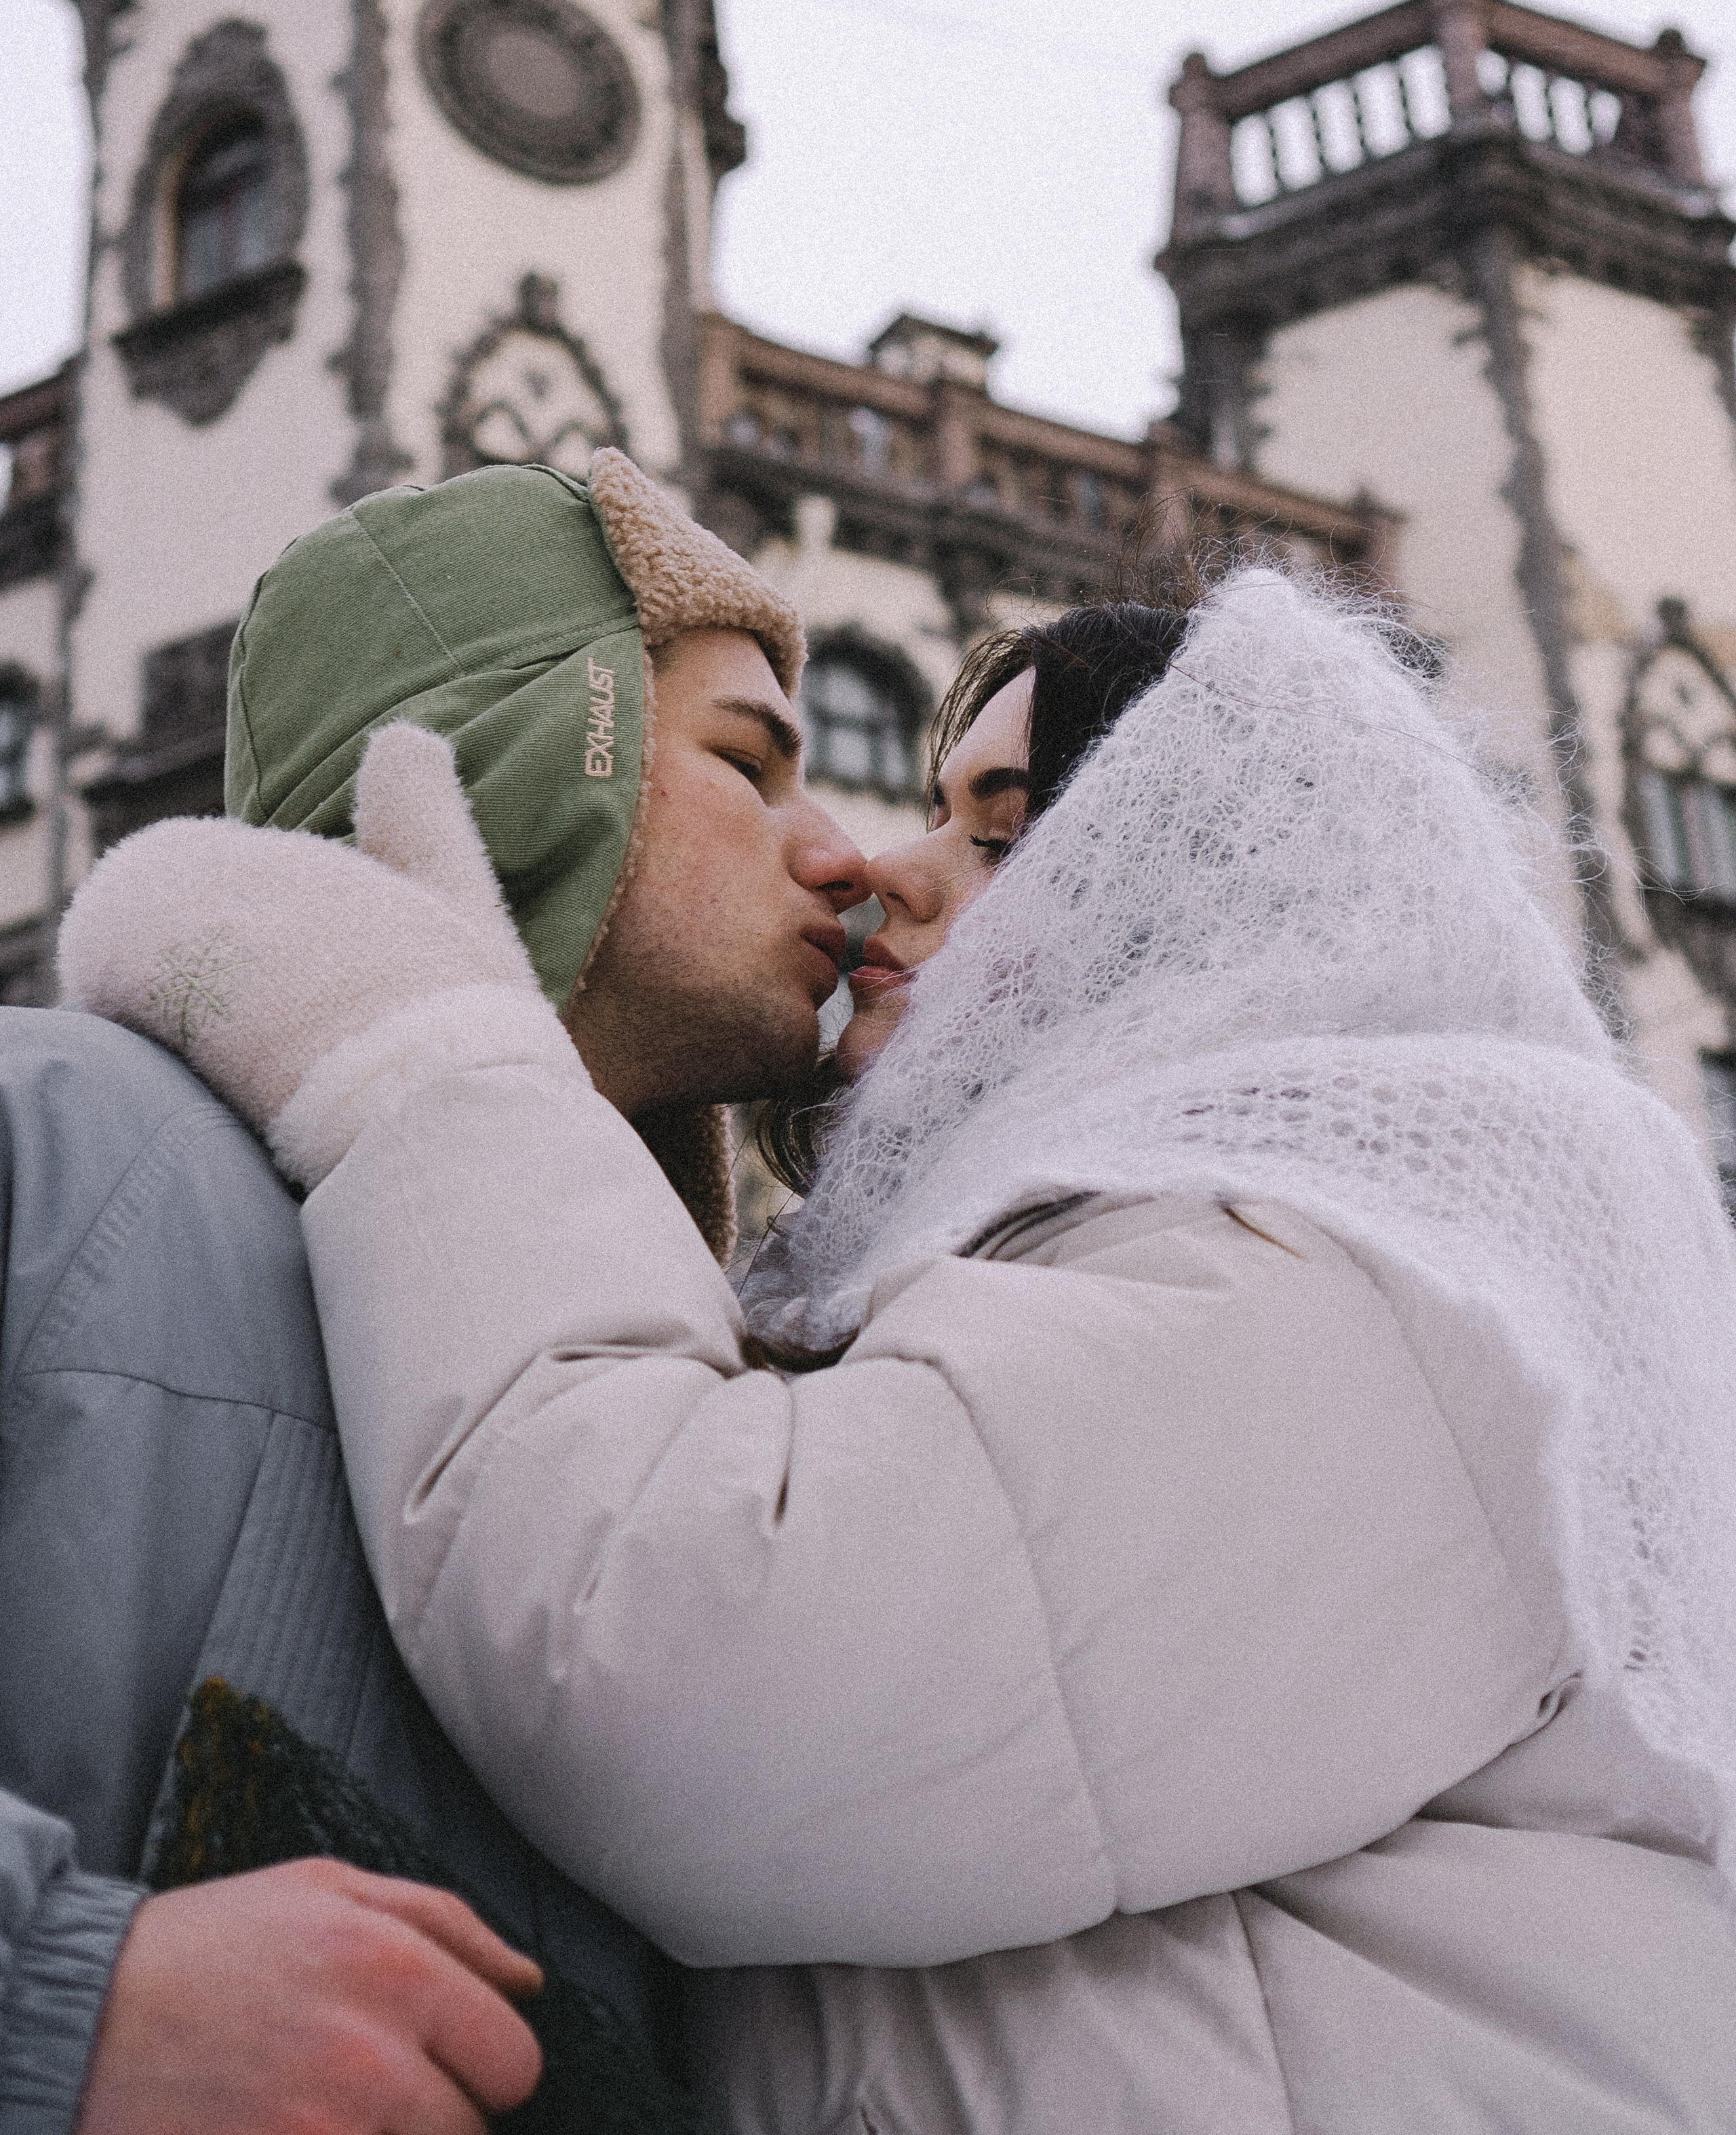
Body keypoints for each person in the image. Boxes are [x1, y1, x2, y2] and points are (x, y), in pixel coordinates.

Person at [64, 567, 1736, 2130]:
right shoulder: (1143, 1256)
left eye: (1011, 841)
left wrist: (423, 1059)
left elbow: (700, 1663)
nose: (885, 868)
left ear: (1214, 907)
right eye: (936, 807)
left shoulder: (1377, 1270)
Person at [1, 449, 868, 2133]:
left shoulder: (692, 1395)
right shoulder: (59, 1136)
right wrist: (68, 1993)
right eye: (746, 765)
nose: (841, 855)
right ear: (548, 762)